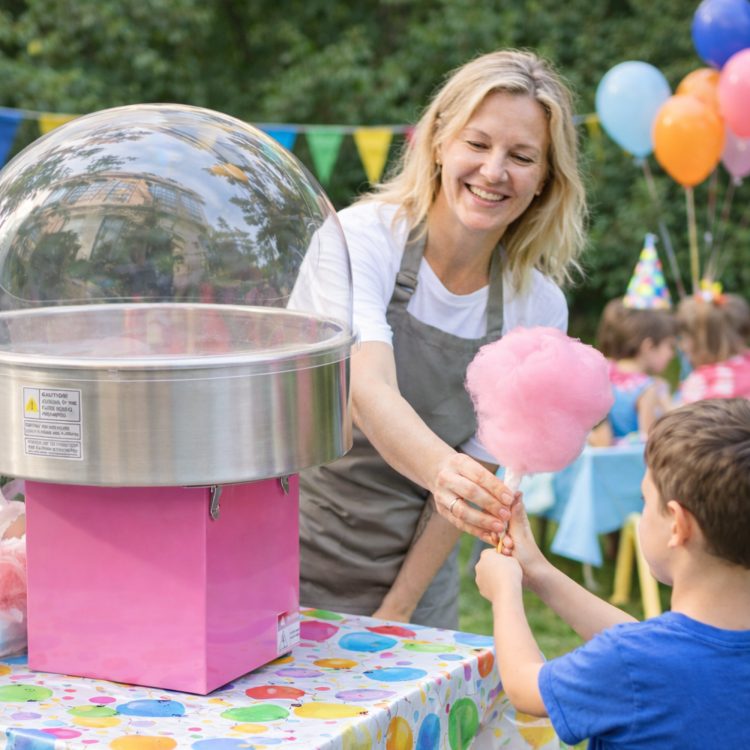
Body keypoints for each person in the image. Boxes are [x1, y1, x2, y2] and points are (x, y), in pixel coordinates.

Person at [297, 49, 586, 628]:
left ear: (545, 180)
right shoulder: (358, 240)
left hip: (415, 581)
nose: (494, 171)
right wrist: (446, 473)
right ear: (437, 143)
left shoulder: (538, 307)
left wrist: (398, 610)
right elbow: (366, 388)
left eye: (521, 156)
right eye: (477, 144)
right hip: (290, 552)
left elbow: (480, 470)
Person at [475, 398, 750, 749]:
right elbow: (651, 642)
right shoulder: (654, 655)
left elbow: (526, 688)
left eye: (644, 500)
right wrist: (538, 571)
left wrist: (504, 592)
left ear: (677, 525)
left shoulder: (632, 663)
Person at [590, 298, 676, 445]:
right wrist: (664, 398)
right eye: (669, 346)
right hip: (628, 458)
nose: (672, 354)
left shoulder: (603, 370)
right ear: (649, 347)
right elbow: (648, 444)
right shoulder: (647, 388)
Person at [676, 291, 750, 403]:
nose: (682, 346)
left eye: (684, 338)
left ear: (702, 343)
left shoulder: (701, 383)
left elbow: (683, 413)